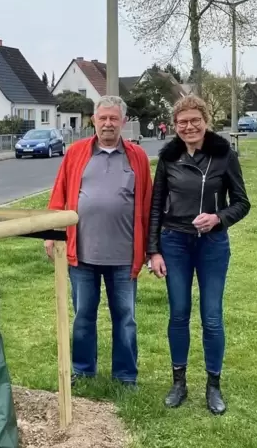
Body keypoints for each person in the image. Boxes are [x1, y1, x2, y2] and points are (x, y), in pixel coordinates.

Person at [148, 95, 250, 415]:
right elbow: (155, 206)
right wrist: (154, 250)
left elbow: (242, 202)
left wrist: (218, 218)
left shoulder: (224, 156)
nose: (189, 126)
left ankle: (213, 386)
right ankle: (178, 383)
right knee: (178, 312)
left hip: (212, 245)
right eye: (182, 122)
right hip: (175, 242)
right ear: (175, 126)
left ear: (205, 121)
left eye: (195, 120)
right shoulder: (168, 158)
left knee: (211, 315)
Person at [46, 95, 153, 387]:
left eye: (114, 118)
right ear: (94, 120)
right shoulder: (76, 153)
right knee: (83, 316)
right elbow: (59, 196)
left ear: (124, 122)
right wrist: (52, 236)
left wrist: (149, 249)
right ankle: (83, 370)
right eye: (103, 118)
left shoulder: (137, 157)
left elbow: (147, 205)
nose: (108, 124)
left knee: (126, 318)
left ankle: (125, 375)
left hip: (123, 256)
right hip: (82, 255)